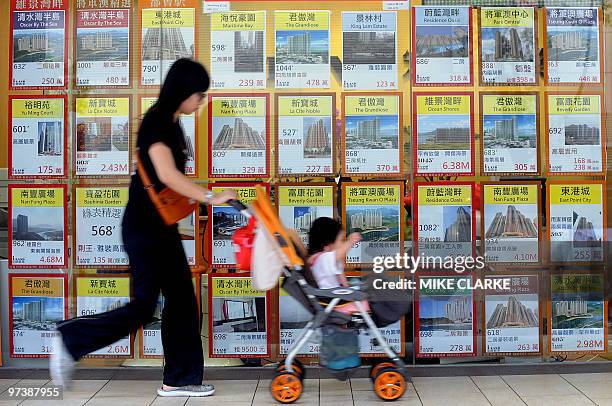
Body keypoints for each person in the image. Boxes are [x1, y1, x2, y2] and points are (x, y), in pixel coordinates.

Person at [50, 58, 237, 397]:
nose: (202, 101)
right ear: (184, 92)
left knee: (181, 300)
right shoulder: (158, 124)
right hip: (145, 230)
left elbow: (168, 180)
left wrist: (206, 196)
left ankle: (180, 379)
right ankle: (70, 337)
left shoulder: (171, 123)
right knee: (143, 307)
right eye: (200, 95)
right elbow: (167, 175)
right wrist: (212, 196)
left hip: (159, 228)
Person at [306, 217, 369, 314]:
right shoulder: (322, 259)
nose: (342, 244)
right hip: (336, 304)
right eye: (340, 240)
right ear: (327, 243)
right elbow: (337, 254)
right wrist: (350, 241)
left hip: (336, 301)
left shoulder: (325, 260)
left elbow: (344, 283)